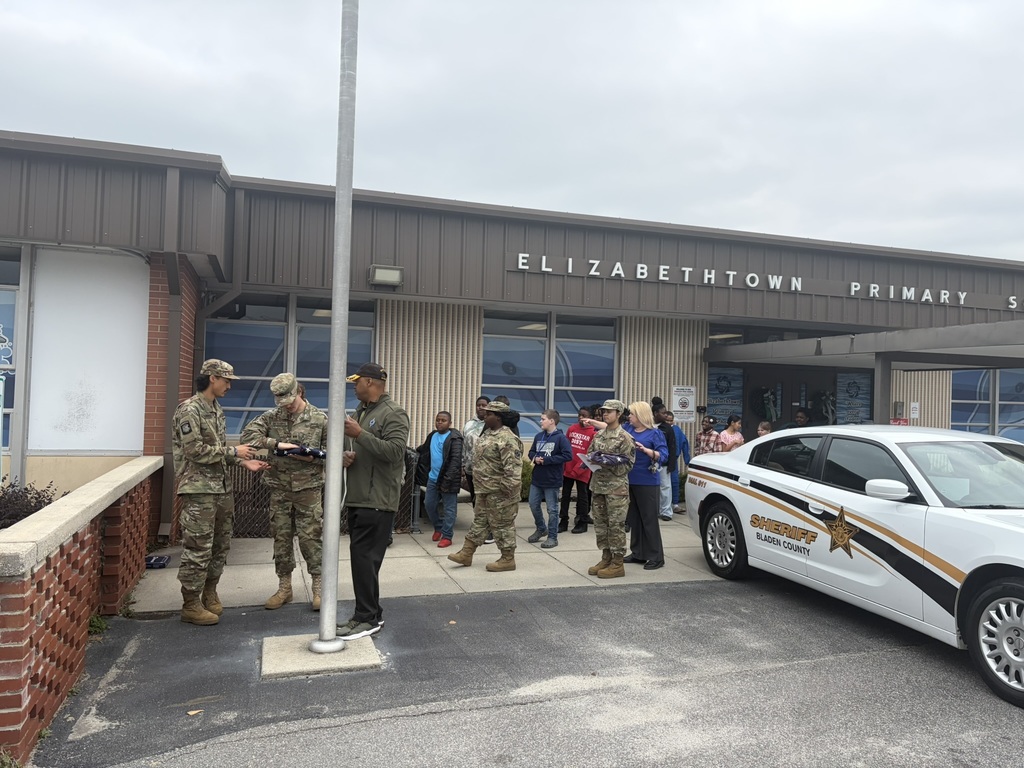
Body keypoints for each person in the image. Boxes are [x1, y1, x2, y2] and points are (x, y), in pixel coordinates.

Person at [172, 359, 268, 626]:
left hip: (221, 489)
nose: (229, 385)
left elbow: (218, 450)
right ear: (212, 378)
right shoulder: (189, 410)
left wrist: (242, 461)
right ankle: (190, 603)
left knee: (220, 546)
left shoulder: (215, 409)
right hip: (199, 490)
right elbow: (195, 451)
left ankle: (209, 591)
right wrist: (234, 452)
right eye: (226, 380)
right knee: (197, 548)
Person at [241, 374, 328, 612]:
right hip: (279, 488)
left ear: (298, 392)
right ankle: (284, 587)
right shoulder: (272, 417)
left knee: (311, 538)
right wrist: (276, 445)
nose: (287, 406)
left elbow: (334, 452)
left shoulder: (319, 418)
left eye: (289, 399)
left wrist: (311, 456)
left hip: (308, 488)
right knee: (281, 538)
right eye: (282, 401)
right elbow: (247, 436)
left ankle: (319, 588)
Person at [337, 362, 410, 640]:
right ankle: (369, 614)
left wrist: (360, 435)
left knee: (365, 560)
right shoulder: (363, 412)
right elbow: (361, 447)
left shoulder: (393, 413)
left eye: (357, 382)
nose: (354, 386)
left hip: (377, 500)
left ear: (370, 382)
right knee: (362, 561)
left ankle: (367, 618)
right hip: (358, 497)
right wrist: (347, 453)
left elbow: (395, 452)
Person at [447, 401, 523, 572]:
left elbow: (513, 471)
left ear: (498, 417)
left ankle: (507, 559)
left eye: (489, 414)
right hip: (484, 490)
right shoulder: (488, 434)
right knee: (480, 522)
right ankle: (466, 553)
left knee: (503, 525)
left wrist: (505, 493)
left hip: (500, 492)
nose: (485, 415)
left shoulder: (508, 439)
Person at [582, 400, 635, 579]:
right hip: (598, 486)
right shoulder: (599, 435)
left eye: (609, 412)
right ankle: (606, 557)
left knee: (616, 526)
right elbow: (590, 453)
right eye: (603, 412)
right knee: (601, 525)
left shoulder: (625, 437)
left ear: (618, 413)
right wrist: (591, 460)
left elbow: (627, 465)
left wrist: (607, 461)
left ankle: (618, 563)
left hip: (615, 488)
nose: (605, 414)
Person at [623, 401, 669, 570]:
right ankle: (638, 553)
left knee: (649, 520)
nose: (629, 416)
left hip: (648, 481)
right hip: (630, 479)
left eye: (632, 414)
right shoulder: (628, 429)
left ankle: (656, 556)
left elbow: (663, 455)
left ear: (641, 415)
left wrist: (647, 451)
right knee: (635, 518)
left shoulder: (654, 434)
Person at [415, 411, 463, 548]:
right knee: (429, 504)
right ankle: (438, 527)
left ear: (450, 423)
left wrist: (447, 479)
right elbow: (424, 449)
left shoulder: (455, 438)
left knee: (449, 509)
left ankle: (447, 536)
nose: (440, 422)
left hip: (449, 479)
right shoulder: (432, 435)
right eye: (438, 420)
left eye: (443, 420)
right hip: (433, 478)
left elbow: (455, 461)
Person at [526, 409, 572, 549]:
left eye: (543, 419)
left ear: (552, 421)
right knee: (533, 504)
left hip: (552, 479)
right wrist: (535, 458)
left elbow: (567, 456)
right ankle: (541, 528)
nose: (541, 421)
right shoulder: (539, 436)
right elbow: (531, 452)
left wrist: (547, 460)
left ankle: (552, 537)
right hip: (537, 478)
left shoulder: (560, 438)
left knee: (552, 509)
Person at [562, 406, 597, 534]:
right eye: (579, 415)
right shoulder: (572, 429)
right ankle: (563, 520)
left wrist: (579, 467)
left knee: (582, 496)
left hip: (583, 469)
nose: (581, 418)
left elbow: (591, 453)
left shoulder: (593, 433)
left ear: (591, 418)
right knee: (565, 495)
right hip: (568, 468)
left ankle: (582, 521)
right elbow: (566, 447)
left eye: (584, 415)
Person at [652, 398, 678, 521]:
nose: (666, 415)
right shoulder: (648, 425)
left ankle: (666, 512)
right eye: (663, 413)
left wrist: (671, 464)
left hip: (664, 463)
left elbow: (672, 446)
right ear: (656, 413)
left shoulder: (667, 428)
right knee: (651, 487)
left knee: (665, 486)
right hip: (649, 461)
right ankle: (653, 510)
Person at [461, 396, 490, 506]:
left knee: (485, 499)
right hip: (470, 468)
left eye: (484, 405)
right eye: (478, 405)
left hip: (486, 469)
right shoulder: (469, 424)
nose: (481, 407)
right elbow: (464, 446)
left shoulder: (491, 424)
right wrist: (462, 465)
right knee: (474, 498)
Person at [663, 410, 690, 511]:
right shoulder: (660, 429)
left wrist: (687, 459)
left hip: (673, 459)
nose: (669, 422)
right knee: (663, 484)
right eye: (667, 420)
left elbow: (684, 443)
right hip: (662, 460)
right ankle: (663, 505)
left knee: (674, 481)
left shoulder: (677, 430)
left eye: (671, 420)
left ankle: (675, 504)